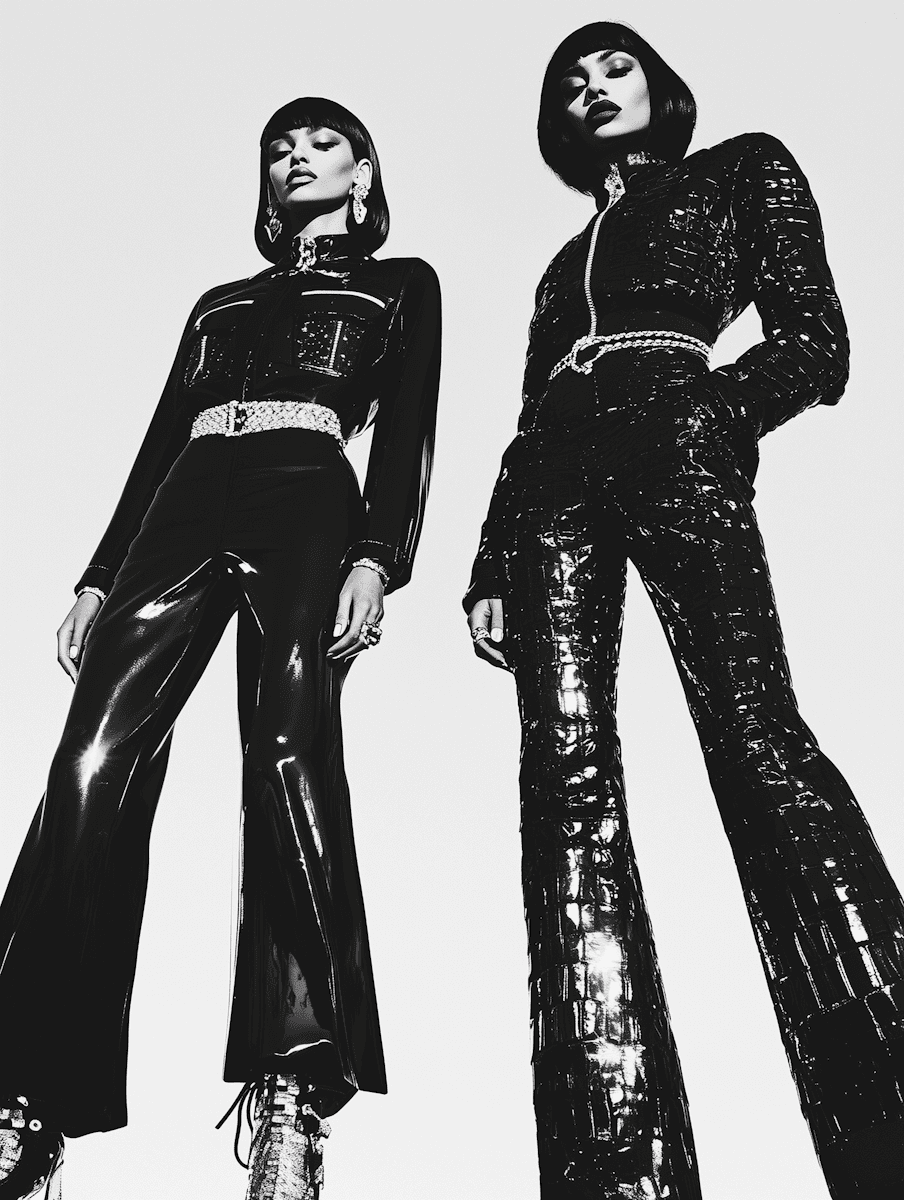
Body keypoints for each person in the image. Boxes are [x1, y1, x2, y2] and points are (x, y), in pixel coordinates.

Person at [464, 22, 903, 1200]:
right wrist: (489, 559)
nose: (592, 87)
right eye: (571, 80)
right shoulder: (560, 269)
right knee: (562, 783)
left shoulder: (743, 167)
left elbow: (815, 342)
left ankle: (885, 1110)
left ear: (662, 87)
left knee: (757, 745)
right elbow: (523, 422)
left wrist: (717, 411)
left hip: (677, 431)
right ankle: (615, 1168)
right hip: (552, 482)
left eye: (614, 66)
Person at [0, 96, 441, 1200]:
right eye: (278, 148)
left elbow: (410, 427)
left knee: (288, 750)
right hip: (186, 501)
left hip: (309, 494)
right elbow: (160, 435)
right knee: (87, 767)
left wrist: (378, 557)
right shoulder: (220, 302)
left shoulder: (401, 284)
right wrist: (99, 575)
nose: (296, 158)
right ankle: (27, 1095)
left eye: (321, 144)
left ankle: (295, 1088)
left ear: (362, 171)